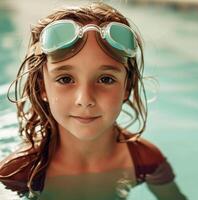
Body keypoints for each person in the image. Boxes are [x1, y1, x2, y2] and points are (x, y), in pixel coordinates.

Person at [0, 2, 187, 200]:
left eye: (106, 79)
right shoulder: (19, 172)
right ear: (42, 87)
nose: (85, 99)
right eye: (65, 79)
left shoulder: (144, 161)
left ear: (127, 86)